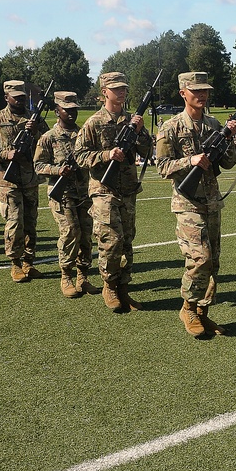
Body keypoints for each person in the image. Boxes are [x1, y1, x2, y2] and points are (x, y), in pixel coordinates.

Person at [155, 72, 236, 337]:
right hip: (187, 203)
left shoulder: (213, 125)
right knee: (200, 258)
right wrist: (189, 161)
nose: (202, 95)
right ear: (183, 93)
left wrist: (230, 138)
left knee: (213, 262)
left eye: (205, 91)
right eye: (196, 91)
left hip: (211, 202)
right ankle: (188, 308)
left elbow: (229, 163)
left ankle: (203, 312)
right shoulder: (170, 127)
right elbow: (162, 167)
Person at [75, 72, 153, 312]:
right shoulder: (94, 123)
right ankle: (109, 285)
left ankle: (123, 288)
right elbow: (79, 156)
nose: (121, 92)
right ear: (104, 93)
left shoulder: (133, 121)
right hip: (103, 189)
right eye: (116, 88)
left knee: (127, 240)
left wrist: (140, 132)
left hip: (128, 189)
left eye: (124, 88)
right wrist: (106, 155)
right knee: (111, 240)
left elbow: (148, 151)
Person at [0, 80, 50, 283]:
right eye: (16, 97)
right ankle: (15, 263)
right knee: (14, 223)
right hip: (8, 181)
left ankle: (29, 262)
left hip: (30, 179)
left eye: (22, 97)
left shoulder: (34, 118)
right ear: (6, 97)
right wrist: (6, 154)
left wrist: (36, 131)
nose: (20, 100)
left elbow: (48, 142)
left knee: (30, 223)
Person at [35, 91, 94, 298]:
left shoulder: (84, 134)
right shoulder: (48, 137)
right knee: (70, 232)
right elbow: (38, 166)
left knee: (86, 234)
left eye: (74, 110)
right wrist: (58, 170)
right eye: (66, 110)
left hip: (84, 193)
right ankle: (66, 276)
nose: (71, 113)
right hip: (62, 195)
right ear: (56, 111)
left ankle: (83, 276)